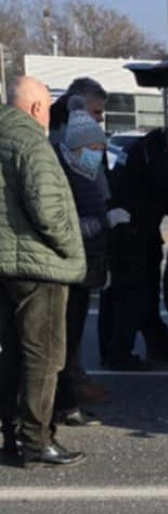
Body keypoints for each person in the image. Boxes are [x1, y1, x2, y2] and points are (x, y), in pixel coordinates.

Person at [0, 76, 87, 467]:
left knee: (11, 354)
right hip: (40, 266)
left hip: (6, 265)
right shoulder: (32, 142)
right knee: (44, 356)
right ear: (37, 108)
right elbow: (47, 208)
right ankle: (37, 439)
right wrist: (72, 251)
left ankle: (10, 434)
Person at [53, 98, 130, 427]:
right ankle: (64, 405)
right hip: (70, 268)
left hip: (86, 266)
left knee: (70, 339)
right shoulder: (68, 175)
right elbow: (63, 223)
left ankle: (67, 401)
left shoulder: (85, 172)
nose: (98, 152)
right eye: (94, 146)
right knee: (64, 342)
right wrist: (104, 222)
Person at [104, 124, 168, 369]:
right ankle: (120, 354)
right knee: (133, 295)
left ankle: (160, 345)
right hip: (131, 234)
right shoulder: (151, 156)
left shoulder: (149, 150)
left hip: (142, 232)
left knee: (147, 294)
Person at [49, 78, 110, 405]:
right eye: (96, 112)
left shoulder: (75, 142)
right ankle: (63, 399)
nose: (100, 119)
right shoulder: (59, 147)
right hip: (70, 254)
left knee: (71, 328)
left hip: (83, 252)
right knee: (65, 332)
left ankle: (71, 389)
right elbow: (59, 210)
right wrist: (97, 222)